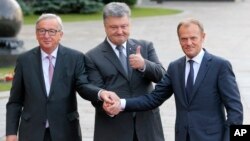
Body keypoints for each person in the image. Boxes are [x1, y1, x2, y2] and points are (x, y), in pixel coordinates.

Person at [105, 18, 244, 141]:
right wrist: (121, 104)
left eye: (193, 38)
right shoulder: (175, 67)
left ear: (203, 37)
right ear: (179, 40)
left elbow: (235, 111)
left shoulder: (220, 66)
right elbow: (154, 98)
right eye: (183, 39)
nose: (188, 43)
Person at [5, 13, 118, 141]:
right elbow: (15, 101)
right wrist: (11, 133)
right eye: (42, 31)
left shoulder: (75, 58)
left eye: (52, 31)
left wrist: (101, 93)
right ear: (36, 34)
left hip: (65, 131)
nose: (46, 35)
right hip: (32, 132)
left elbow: (83, 86)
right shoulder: (24, 60)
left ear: (61, 35)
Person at [85, 2, 166, 141]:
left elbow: (163, 77)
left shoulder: (145, 47)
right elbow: (95, 91)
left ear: (130, 24)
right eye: (114, 27)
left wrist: (144, 65)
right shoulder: (92, 56)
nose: (120, 31)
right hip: (113, 129)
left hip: (147, 127)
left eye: (124, 26)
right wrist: (106, 105)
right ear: (105, 26)